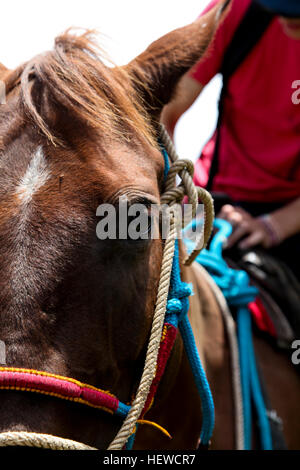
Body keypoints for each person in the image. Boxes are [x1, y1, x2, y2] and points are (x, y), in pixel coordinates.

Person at [161, 0, 300, 280]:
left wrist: (274, 226)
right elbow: (165, 111)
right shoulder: (238, 8)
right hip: (208, 199)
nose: (284, 14)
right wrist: (167, 191)